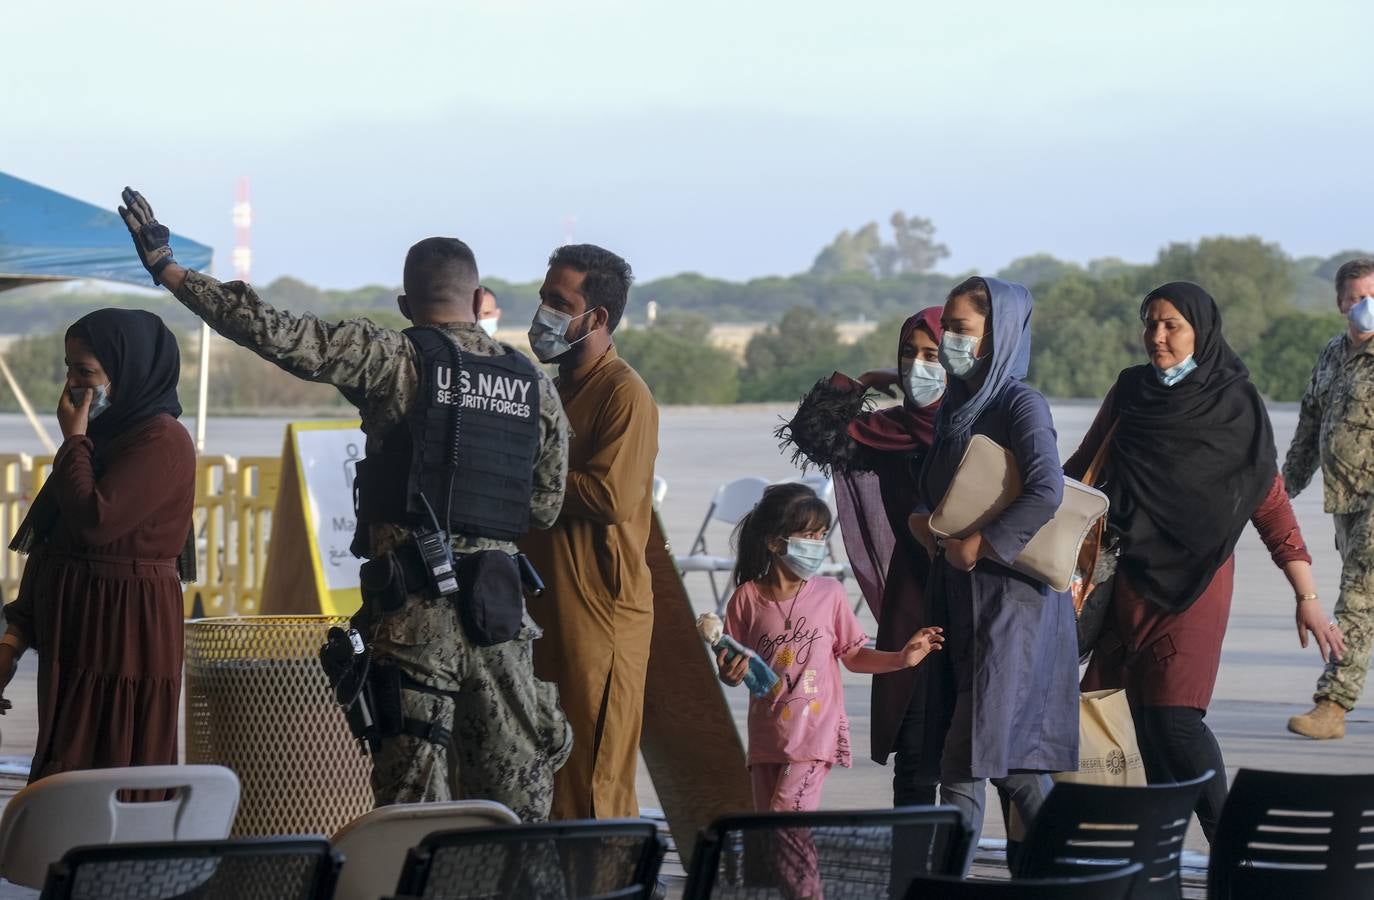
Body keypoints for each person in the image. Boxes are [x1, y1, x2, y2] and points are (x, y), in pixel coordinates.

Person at [116, 188, 571, 821]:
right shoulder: (533, 386)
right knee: (516, 810)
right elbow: (545, 507)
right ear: (477, 300)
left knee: (413, 815)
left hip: (413, 624)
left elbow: (275, 332)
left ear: (407, 305)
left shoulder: (395, 357)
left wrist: (171, 270)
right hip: (502, 626)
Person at [1069, 281, 1344, 842]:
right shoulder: (1131, 391)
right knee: (1135, 727)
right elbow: (1080, 473)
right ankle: (1154, 855)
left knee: (1174, 719)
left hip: (1195, 584)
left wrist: (1307, 596)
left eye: (1172, 325)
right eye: (1150, 323)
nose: (1157, 336)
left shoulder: (1232, 404)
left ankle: (1232, 848)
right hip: (1124, 581)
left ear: (1202, 331)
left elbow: (1269, 504)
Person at [908, 276, 1079, 871]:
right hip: (962, 599)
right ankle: (1061, 878)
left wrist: (981, 544)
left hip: (1009, 606)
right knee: (1012, 765)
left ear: (998, 334)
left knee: (969, 757)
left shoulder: (1017, 402)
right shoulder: (957, 404)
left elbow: (1046, 489)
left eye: (962, 329)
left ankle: (946, 883)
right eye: (948, 326)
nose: (950, 338)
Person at [716, 482, 943, 898]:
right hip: (767, 741)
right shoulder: (745, 600)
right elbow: (735, 669)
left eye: (823, 536)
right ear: (773, 542)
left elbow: (854, 654)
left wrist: (900, 659)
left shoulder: (830, 594)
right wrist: (730, 672)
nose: (818, 545)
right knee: (776, 835)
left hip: (812, 737)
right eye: (809, 537)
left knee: (786, 823)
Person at [2, 309, 196, 781]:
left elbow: (94, 521)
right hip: (77, 625)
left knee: (109, 762)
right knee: (66, 757)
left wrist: (72, 440)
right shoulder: (104, 438)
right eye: (68, 369)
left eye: (85, 372)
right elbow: (57, 543)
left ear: (126, 372)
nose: (72, 384)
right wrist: (13, 640)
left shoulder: (161, 440)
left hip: (123, 630)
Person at [777, 307, 957, 802]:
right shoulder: (890, 433)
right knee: (915, 749)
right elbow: (811, 434)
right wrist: (863, 384)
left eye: (932, 355)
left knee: (978, 755)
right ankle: (909, 876)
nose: (918, 366)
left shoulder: (974, 426)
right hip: (913, 596)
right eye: (908, 355)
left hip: (976, 594)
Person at [518, 244, 659, 820]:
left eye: (559, 302)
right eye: (544, 298)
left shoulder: (625, 393)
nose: (544, 312)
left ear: (595, 318)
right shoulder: (552, 388)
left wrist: (520, 477)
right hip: (548, 608)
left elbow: (609, 496)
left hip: (601, 613)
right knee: (549, 779)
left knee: (593, 784)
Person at [1284, 259, 1374, 739]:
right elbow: (1310, 428)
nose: (1366, 307)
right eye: (1357, 298)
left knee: (1357, 599)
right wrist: (1279, 491)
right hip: (1348, 501)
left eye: (1373, 296)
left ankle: (1332, 705)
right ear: (1340, 302)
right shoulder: (1331, 356)